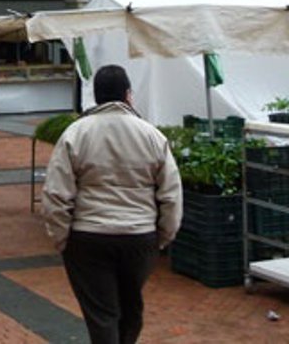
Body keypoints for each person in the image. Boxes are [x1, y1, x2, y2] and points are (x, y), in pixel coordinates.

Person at [41, 64, 183, 344]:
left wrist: (61, 237)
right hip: (139, 237)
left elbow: (56, 193)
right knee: (131, 309)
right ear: (128, 94)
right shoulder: (151, 135)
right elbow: (171, 193)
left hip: (88, 237)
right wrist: (163, 236)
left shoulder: (75, 133)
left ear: (96, 96)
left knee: (102, 314)